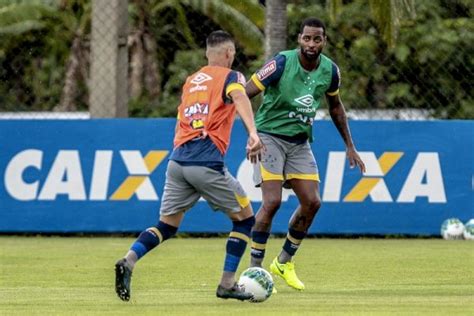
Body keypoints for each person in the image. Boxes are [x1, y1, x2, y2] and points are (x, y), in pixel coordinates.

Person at [114, 30, 263, 302]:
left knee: (167, 226)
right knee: (245, 220)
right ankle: (227, 283)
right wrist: (253, 132)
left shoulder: (191, 80)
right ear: (229, 53)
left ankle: (129, 259)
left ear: (208, 53)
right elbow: (240, 96)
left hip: (177, 161)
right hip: (205, 162)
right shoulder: (232, 76)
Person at [245, 18, 366, 290]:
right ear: (299, 39)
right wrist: (252, 134)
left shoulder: (330, 71)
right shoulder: (281, 63)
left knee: (312, 202)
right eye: (307, 38)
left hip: (300, 142)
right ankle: (255, 270)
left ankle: (284, 261)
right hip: (269, 137)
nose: (311, 44)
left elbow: (335, 107)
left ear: (324, 41)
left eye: (317, 39)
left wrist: (350, 145)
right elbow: (245, 93)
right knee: (272, 202)